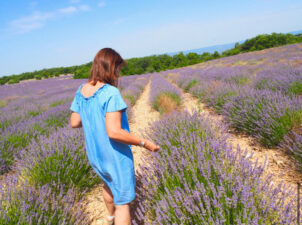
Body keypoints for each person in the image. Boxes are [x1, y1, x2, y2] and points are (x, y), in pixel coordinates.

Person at [69, 48, 160, 225]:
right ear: (110, 68)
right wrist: (144, 143)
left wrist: (92, 117)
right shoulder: (110, 93)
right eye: (117, 68)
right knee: (123, 203)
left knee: (109, 185)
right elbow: (114, 132)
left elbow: (74, 121)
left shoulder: (82, 90)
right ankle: (115, 218)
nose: (118, 73)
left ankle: (109, 219)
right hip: (115, 155)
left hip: (96, 155)